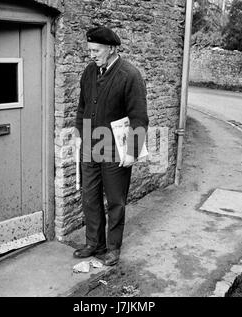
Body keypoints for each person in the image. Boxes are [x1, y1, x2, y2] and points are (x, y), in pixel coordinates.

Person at [74, 26, 149, 266]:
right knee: (90, 197)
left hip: (116, 150)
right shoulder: (89, 72)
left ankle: (113, 248)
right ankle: (94, 243)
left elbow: (139, 117)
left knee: (116, 201)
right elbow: (82, 107)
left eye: (96, 50)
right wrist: (78, 134)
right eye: (90, 50)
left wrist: (132, 151)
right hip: (90, 146)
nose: (92, 55)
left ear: (112, 48)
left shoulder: (130, 75)